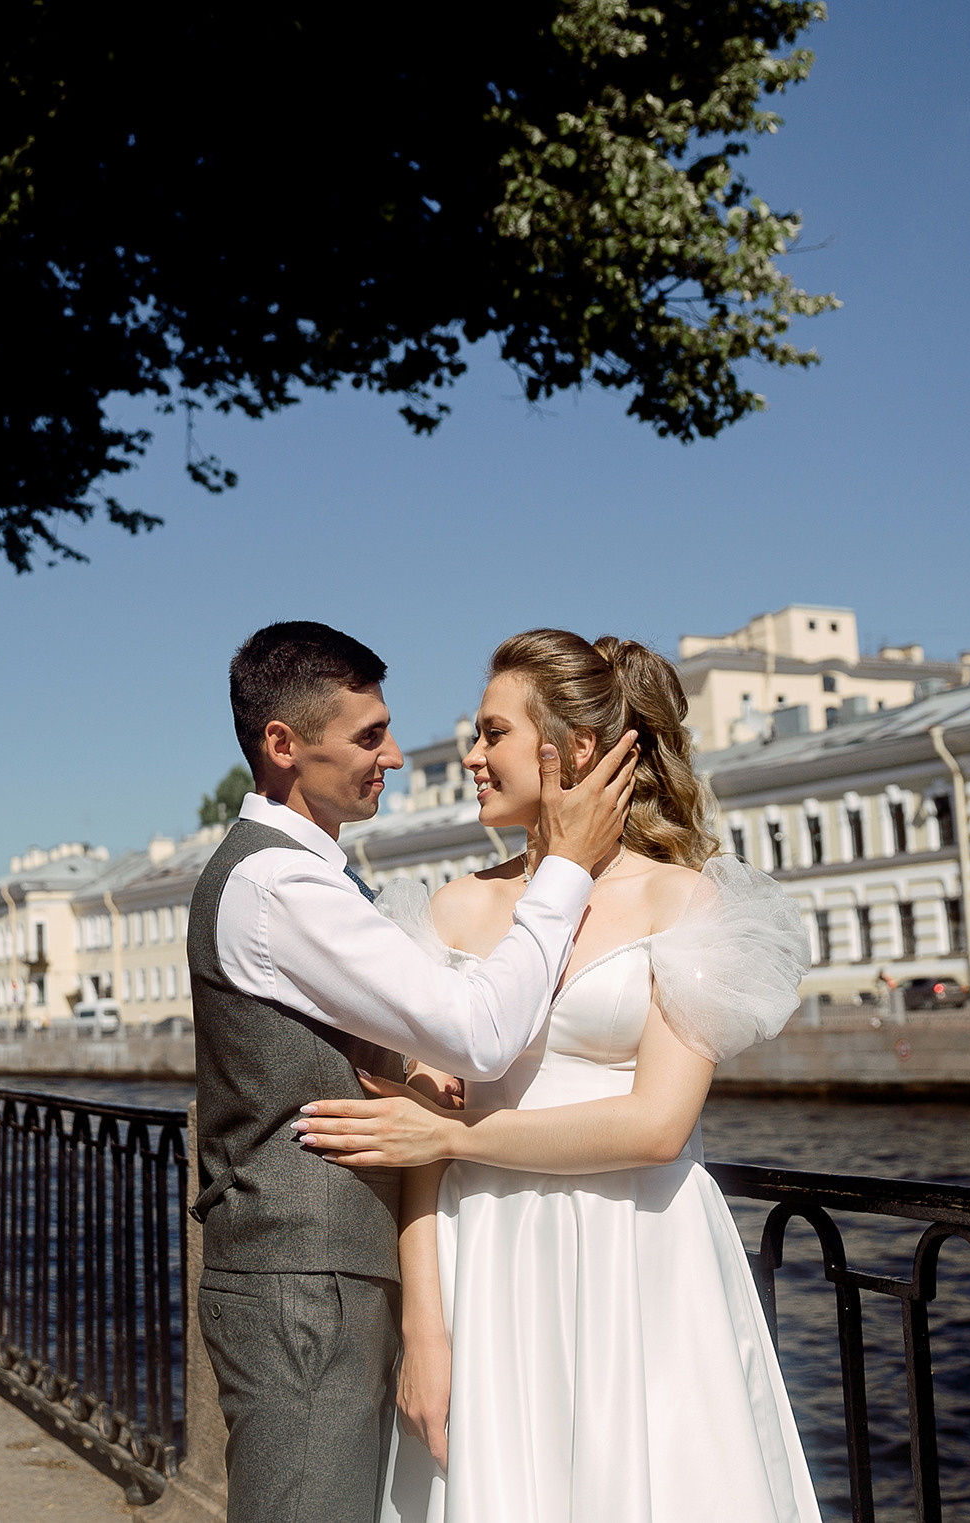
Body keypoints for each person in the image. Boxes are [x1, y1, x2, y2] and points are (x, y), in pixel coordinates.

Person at [292, 629, 822, 1523]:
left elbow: (656, 1125)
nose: (471, 755)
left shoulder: (682, 901)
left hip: (642, 1254)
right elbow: (417, 1139)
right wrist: (425, 1326)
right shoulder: (459, 907)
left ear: (573, 750)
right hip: (486, 1256)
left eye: (493, 733)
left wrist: (459, 1136)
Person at [189, 622, 639, 1523]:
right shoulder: (282, 889)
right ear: (283, 746)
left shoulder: (308, 878)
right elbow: (479, 1032)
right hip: (305, 1288)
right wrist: (571, 871)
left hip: (320, 1277)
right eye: (367, 736)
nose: (394, 752)